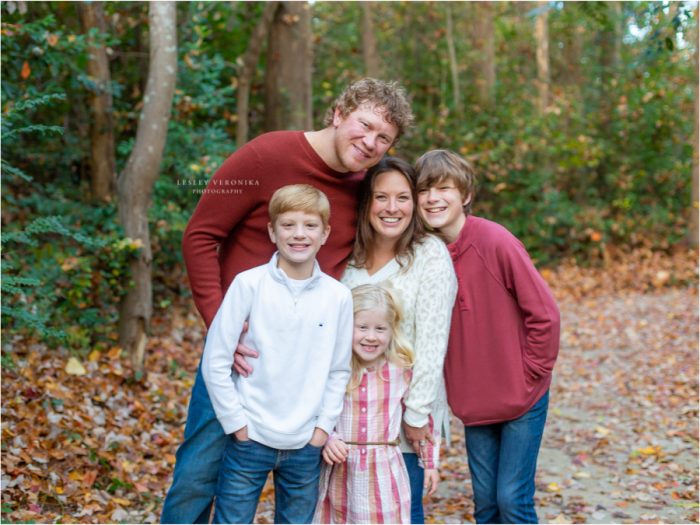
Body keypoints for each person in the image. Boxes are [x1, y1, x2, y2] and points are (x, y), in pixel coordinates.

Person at [161, 78, 413, 524]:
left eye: (383, 138)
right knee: (200, 470)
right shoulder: (266, 154)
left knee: (294, 491)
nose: (370, 142)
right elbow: (200, 235)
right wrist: (221, 324)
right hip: (244, 354)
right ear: (338, 113)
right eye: (364, 125)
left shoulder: (365, 185)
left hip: (304, 362)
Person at [414, 149, 561, 524]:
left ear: (464, 195)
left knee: (512, 500)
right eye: (424, 189)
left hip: (521, 396)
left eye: (443, 188)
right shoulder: (425, 254)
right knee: (486, 506)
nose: (433, 198)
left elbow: (544, 314)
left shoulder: (495, 241)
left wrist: (530, 372)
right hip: (474, 402)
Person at [201, 184, 352, 524]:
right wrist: (236, 423)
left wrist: (322, 429)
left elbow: (339, 370)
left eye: (310, 225)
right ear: (272, 230)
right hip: (250, 437)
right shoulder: (248, 284)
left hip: (305, 444)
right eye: (288, 225)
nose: (299, 234)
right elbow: (216, 359)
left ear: (325, 233)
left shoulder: (338, 296)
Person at [338, 156, 457, 523]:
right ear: (366, 202)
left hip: (402, 414)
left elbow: (433, 340)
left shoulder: (428, 255)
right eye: (381, 197)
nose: (392, 208)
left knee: (401, 510)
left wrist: (417, 412)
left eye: (403, 198)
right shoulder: (345, 258)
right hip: (344, 416)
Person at [313, 284, 439, 524]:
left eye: (380, 329)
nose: (371, 336)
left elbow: (422, 418)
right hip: (339, 468)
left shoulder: (400, 369)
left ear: (392, 331)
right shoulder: (334, 369)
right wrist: (328, 438)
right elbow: (313, 409)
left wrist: (430, 463)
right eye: (362, 327)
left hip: (383, 471)